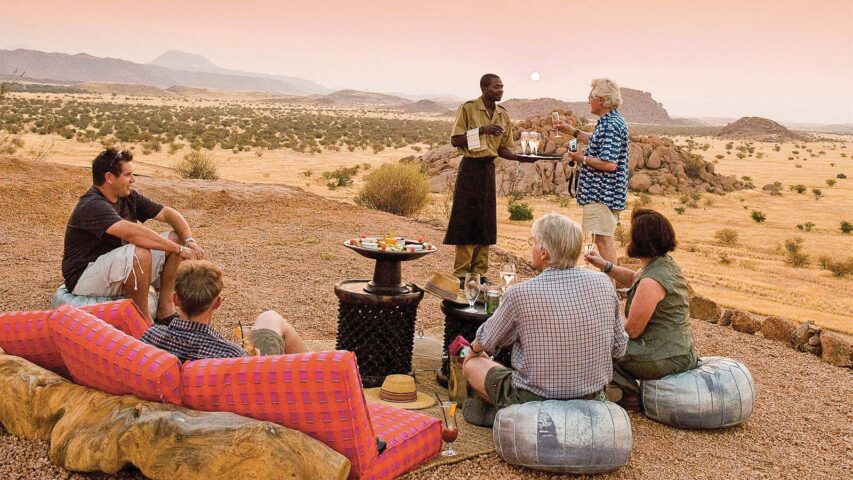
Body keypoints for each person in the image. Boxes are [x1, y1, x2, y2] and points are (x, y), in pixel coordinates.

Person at [461, 213, 628, 426]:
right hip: (592, 398)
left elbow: (485, 341)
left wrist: (473, 352)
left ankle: (506, 412)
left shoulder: (520, 293)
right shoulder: (604, 283)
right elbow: (619, 349)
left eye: (533, 241)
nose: (532, 247)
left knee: (473, 363)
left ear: (543, 252)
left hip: (534, 401)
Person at [61, 148, 203, 324]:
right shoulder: (92, 205)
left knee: (177, 237)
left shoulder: (128, 197)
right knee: (141, 251)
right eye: (128, 175)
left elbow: (168, 214)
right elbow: (133, 233)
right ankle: (144, 324)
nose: (133, 180)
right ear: (109, 178)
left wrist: (189, 241)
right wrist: (179, 250)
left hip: (118, 267)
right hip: (84, 276)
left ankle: (165, 310)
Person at [585, 208, 698, 411]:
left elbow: (631, 331)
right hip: (675, 350)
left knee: (597, 347)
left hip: (662, 356)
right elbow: (633, 278)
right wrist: (605, 265)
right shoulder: (661, 265)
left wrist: (603, 317)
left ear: (640, 239)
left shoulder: (652, 281)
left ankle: (630, 393)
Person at [140, 260, 309, 362]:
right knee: (270, 317)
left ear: (175, 299)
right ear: (218, 303)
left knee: (263, 324)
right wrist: (255, 361)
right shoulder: (231, 355)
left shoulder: (150, 337)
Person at [445, 73, 519, 283]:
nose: (501, 90)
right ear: (484, 88)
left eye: (502, 87)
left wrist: (519, 158)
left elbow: (503, 147)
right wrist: (482, 130)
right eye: (496, 87)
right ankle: (460, 273)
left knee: (485, 221)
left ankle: (479, 273)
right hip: (470, 168)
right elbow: (455, 140)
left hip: (488, 170)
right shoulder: (468, 109)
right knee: (466, 219)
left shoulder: (503, 114)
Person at [554, 78, 629, 269]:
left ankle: (609, 288)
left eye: (591, 97)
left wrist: (582, 159)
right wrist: (572, 131)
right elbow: (597, 141)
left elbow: (609, 164)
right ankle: (608, 285)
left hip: (602, 194)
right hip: (604, 194)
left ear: (602, 100)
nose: (588, 100)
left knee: (603, 241)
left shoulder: (610, 125)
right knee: (602, 239)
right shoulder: (610, 121)